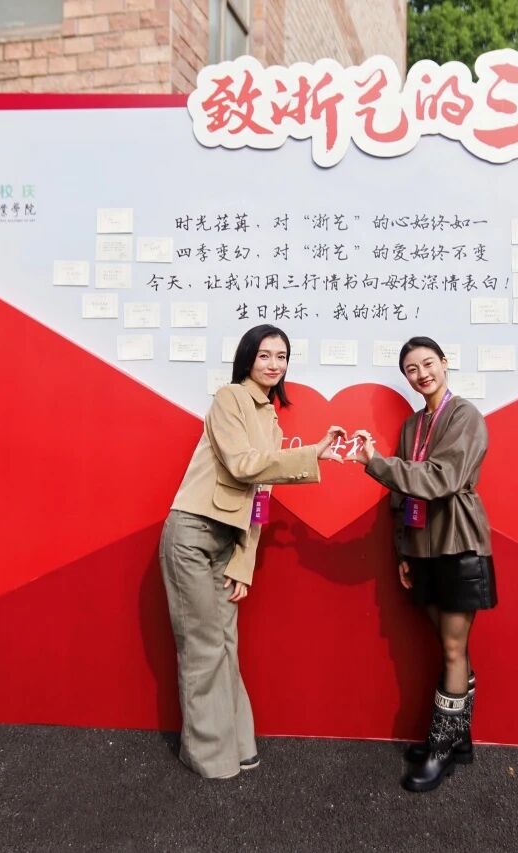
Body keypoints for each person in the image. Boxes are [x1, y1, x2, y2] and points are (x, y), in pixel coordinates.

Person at [161, 323, 345, 780]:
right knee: (203, 647)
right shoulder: (230, 398)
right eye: (265, 355)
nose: (274, 364)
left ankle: (238, 744)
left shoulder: (271, 420)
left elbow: (260, 498)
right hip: (191, 532)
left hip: (227, 541)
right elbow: (243, 466)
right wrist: (313, 454)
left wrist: (244, 563)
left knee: (226, 643)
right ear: (247, 359)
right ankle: (210, 756)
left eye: (281, 357)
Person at [350, 336, 498, 793]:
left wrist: (376, 463)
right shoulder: (413, 425)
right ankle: (458, 739)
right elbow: (402, 496)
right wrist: (403, 552)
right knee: (449, 645)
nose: (422, 374)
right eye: (411, 369)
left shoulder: (466, 415)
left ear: (444, 363)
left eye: (428, 364)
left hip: (458, 543)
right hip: (423, 548)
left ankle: (439, 748)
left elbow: (442, 479)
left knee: (452, 648)